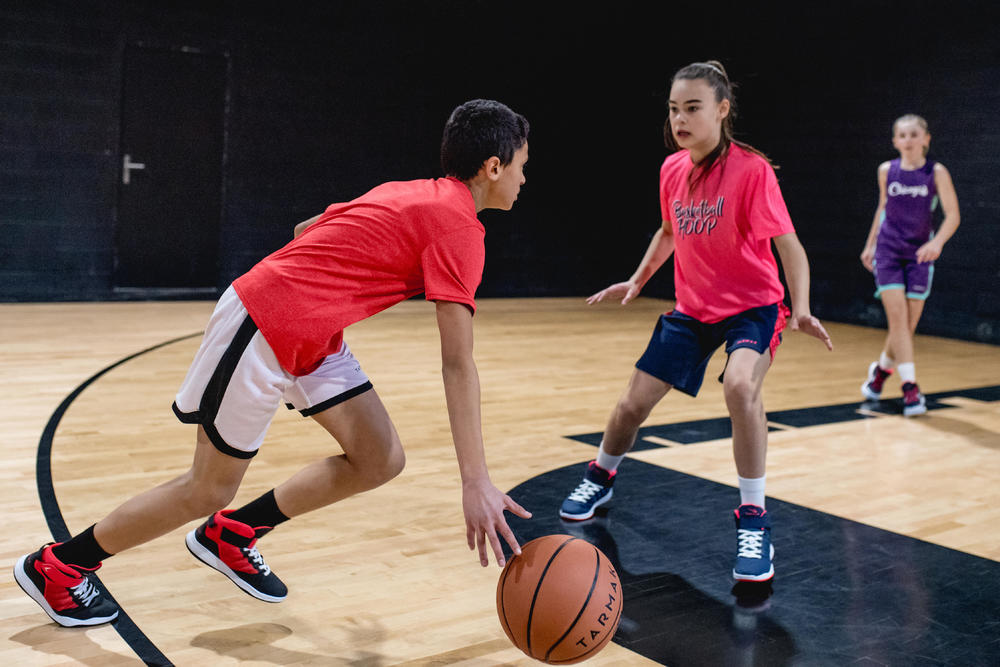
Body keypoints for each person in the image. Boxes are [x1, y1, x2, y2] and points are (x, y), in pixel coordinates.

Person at [15, 99, 532, 627]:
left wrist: (326, 295)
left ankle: (233, 533)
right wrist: (476, 481)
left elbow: (306, 227)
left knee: (379, 458)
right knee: (208, 487)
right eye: (521, 165)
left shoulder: (411, 192)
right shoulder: (459, 228)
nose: (522, 178)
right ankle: (58, 567)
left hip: (311, 334)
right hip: (264, 324)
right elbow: (457, 364)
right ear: (493, 166)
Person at [558, 61, 833, 583]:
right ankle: (601, 474)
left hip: (752, 308)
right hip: (692, 310)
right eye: (672, 108)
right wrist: (638, 281)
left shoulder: (751, 172)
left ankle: (754, 517)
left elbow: (789, 246)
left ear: (722, 109)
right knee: (631, 404)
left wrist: (799, 308)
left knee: (740, 386)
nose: (679, 119)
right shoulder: (671, 170)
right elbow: (667, 231)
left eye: (692, 107)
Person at [859, 114, 960, 416]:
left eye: (914, 134)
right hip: (888, 251)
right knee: (898, 320)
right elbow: (882, 208)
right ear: (895, 141)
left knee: (907, 325)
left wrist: (936, 242)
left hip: (920, 254)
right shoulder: (886, 171)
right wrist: (870, 244)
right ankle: (910, 388)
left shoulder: (936, 172)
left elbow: (953, 215)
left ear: (926, 138)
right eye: (902, 136)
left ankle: (880, 374)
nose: (908, 140)